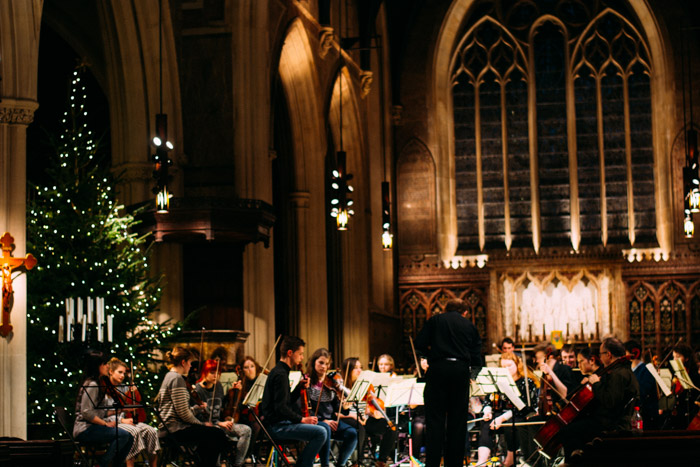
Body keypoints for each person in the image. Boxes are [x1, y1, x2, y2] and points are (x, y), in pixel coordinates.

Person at [414, 298, 482, 467]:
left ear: (446, 309)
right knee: (457, 422)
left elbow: (419, 344)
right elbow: (477, 357)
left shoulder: (435, 320)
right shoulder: (469, 326)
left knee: (434, 420)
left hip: (438, 369)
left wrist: (426, 358)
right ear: (465, 312)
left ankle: (433, 464)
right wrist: (472, 375)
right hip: (460, 371)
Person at [558, 337, 639, 460]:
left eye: (601, 354)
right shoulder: (620, 370)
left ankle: (576, 462)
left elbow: (610, 401)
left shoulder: (618, 374)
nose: (600, 358)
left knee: (567, 431)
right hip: (611, 419)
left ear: (608, 354)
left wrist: (596, 384)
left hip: (612, 424)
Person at [260, 336, 328, 467]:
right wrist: (302, 419)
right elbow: (281, 408)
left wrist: (299, 388)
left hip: (280, 423)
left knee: (323, 428)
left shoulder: (281, 372)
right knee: (321, 433)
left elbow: (285, 402)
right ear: (290, 353)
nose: (302, 357)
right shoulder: (280, 374)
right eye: (300, 354)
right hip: (277, 427)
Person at [157, 346, 228, 466]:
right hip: (175, 430)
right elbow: (183, 414)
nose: (191, 366)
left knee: (210, 435)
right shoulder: (177, 378)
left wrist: (195, 409)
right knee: (218, 434)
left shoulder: (169, 376)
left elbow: (178, 409)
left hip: (170, 428)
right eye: (190, 363)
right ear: (183, 362)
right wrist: (201, 424)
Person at [476, 352, 539, 467]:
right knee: (486, 422)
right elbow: (488, 400)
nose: (506, 369)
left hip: (516, 414)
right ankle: (482, 460)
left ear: (517, 364)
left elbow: (523, 407)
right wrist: (487, 411)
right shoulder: (498, 380)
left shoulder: (525, 382)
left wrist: (501, 419)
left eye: (509, 366)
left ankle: (510, 458)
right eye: (503, 367)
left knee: (511, 424)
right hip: (500, 413)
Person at [73, 350, 134, 467]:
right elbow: (86, 412)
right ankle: (103, 464)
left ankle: (113, 464)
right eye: (104, 364)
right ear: (97, 366)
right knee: (124, 435)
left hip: (93, 427)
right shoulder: (92, 385)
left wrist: (122, 410)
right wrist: (105, 424)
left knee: (129, 437)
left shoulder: (98, 383)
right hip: (85, 429)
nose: (107, 366)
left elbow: (100, 411)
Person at [340, 357, 397, 467]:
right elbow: (337, 412)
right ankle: (356, 462)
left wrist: (372, 412)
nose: (360, 370)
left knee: (391, 426)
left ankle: (381, 460)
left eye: (360, 367)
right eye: (356, 368)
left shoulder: (364, 385)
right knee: (359, 428)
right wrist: (354, 416)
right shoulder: (342, 387)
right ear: (348, 370)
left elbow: (366, 407)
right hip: (349, 419)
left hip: (364, 419)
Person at [305, 348, 358, 467]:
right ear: (314, 362)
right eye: (321, 363)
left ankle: (341, 463)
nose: (324, 366)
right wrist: (323, 420)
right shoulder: (308, 381)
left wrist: (344, 406)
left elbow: (336, 408)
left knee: (352, 433)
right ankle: (325, 464)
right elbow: (305, 407)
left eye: (327, 363)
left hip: (331, 420)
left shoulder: (331, 382)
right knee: (325, 428)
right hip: (315, 420)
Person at [195, 359, 252, 467]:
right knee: (217, 434)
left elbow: (223, 403)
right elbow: (198, 418)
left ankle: (238, 464)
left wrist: (234, 391)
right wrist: (219, 424)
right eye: (212, 373)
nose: (216, 375)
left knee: (246, 430)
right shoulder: (198, 390)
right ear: (204, 372)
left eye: (218, 373)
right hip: (208, 427)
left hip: (221, 423)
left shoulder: (218, 386)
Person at [105, 358, 160, 467]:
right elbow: (103, 414)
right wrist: (121, 420)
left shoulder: (123, 388)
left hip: (125, 421)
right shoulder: (104, 389)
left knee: (151, 431)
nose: (122, 376)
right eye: (119, 372)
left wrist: (134, 391)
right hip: (113, 423)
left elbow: (133, 405)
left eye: (124, 373)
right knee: (134, 432)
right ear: (111, 372)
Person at [624, 340, 659, 429]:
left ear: (634, 353)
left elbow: (641, 394)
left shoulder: (646, 370)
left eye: (625, 353)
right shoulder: (630, 370)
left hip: (646, 417)